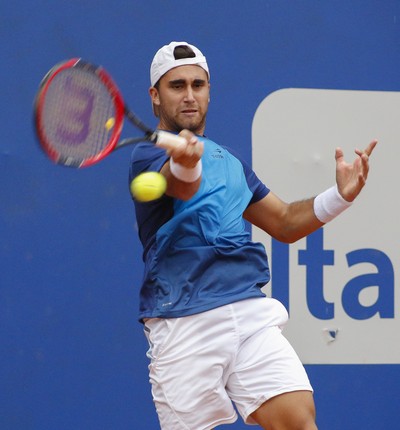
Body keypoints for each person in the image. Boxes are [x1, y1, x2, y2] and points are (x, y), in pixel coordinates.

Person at [128, 41, 377, 430]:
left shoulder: (229, 163)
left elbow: (284, 223)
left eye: (198, 84)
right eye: (177, 86)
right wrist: (187, 164)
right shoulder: (147, 156)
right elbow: (180, 187)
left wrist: (340, 197)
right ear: (155, 96)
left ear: (210, 91)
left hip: (248, 312)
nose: (190, 95)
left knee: (299, 421)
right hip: (183, 321)